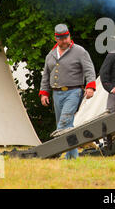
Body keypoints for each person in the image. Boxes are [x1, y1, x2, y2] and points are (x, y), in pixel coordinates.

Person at [39, 24, 96, 159]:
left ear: (69, 36)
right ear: (56, 38)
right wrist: (44, 93)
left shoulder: (80, 51)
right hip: (56, 94)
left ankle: (54, 152)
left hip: (74, 91)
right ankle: (72, 157)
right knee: (67, 125)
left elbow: (89, 69)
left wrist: (90, 86)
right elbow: (46, 75)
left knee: (63, 122)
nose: (64, 41)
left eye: (66, 37)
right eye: (61, 38)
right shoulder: (51, 55)